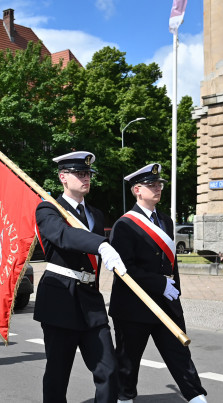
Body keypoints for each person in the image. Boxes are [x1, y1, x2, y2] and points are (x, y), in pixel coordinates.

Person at [33, 151, 127, 403]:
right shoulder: (48, 209)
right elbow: (63, 236)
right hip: (60, 298)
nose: (86, 178)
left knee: (108, 369)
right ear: (63, 177)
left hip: (90, 301)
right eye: (79, 173)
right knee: (58, 373)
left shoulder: (95, 214)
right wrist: (100, 244)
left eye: (88, 174)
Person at [109, 164, 207, 403]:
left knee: (180, 355)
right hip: (134, 306)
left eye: (159, 184)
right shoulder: (124, 224)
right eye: (151, 185)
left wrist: (175, 291)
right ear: (137, 190)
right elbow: (126, 269)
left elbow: (171, 263)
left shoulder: (166, 221)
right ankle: (124, 399)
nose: (157, 188)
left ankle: (197, 397)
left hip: (166, 303)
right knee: (128, 362)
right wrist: (159, 284)